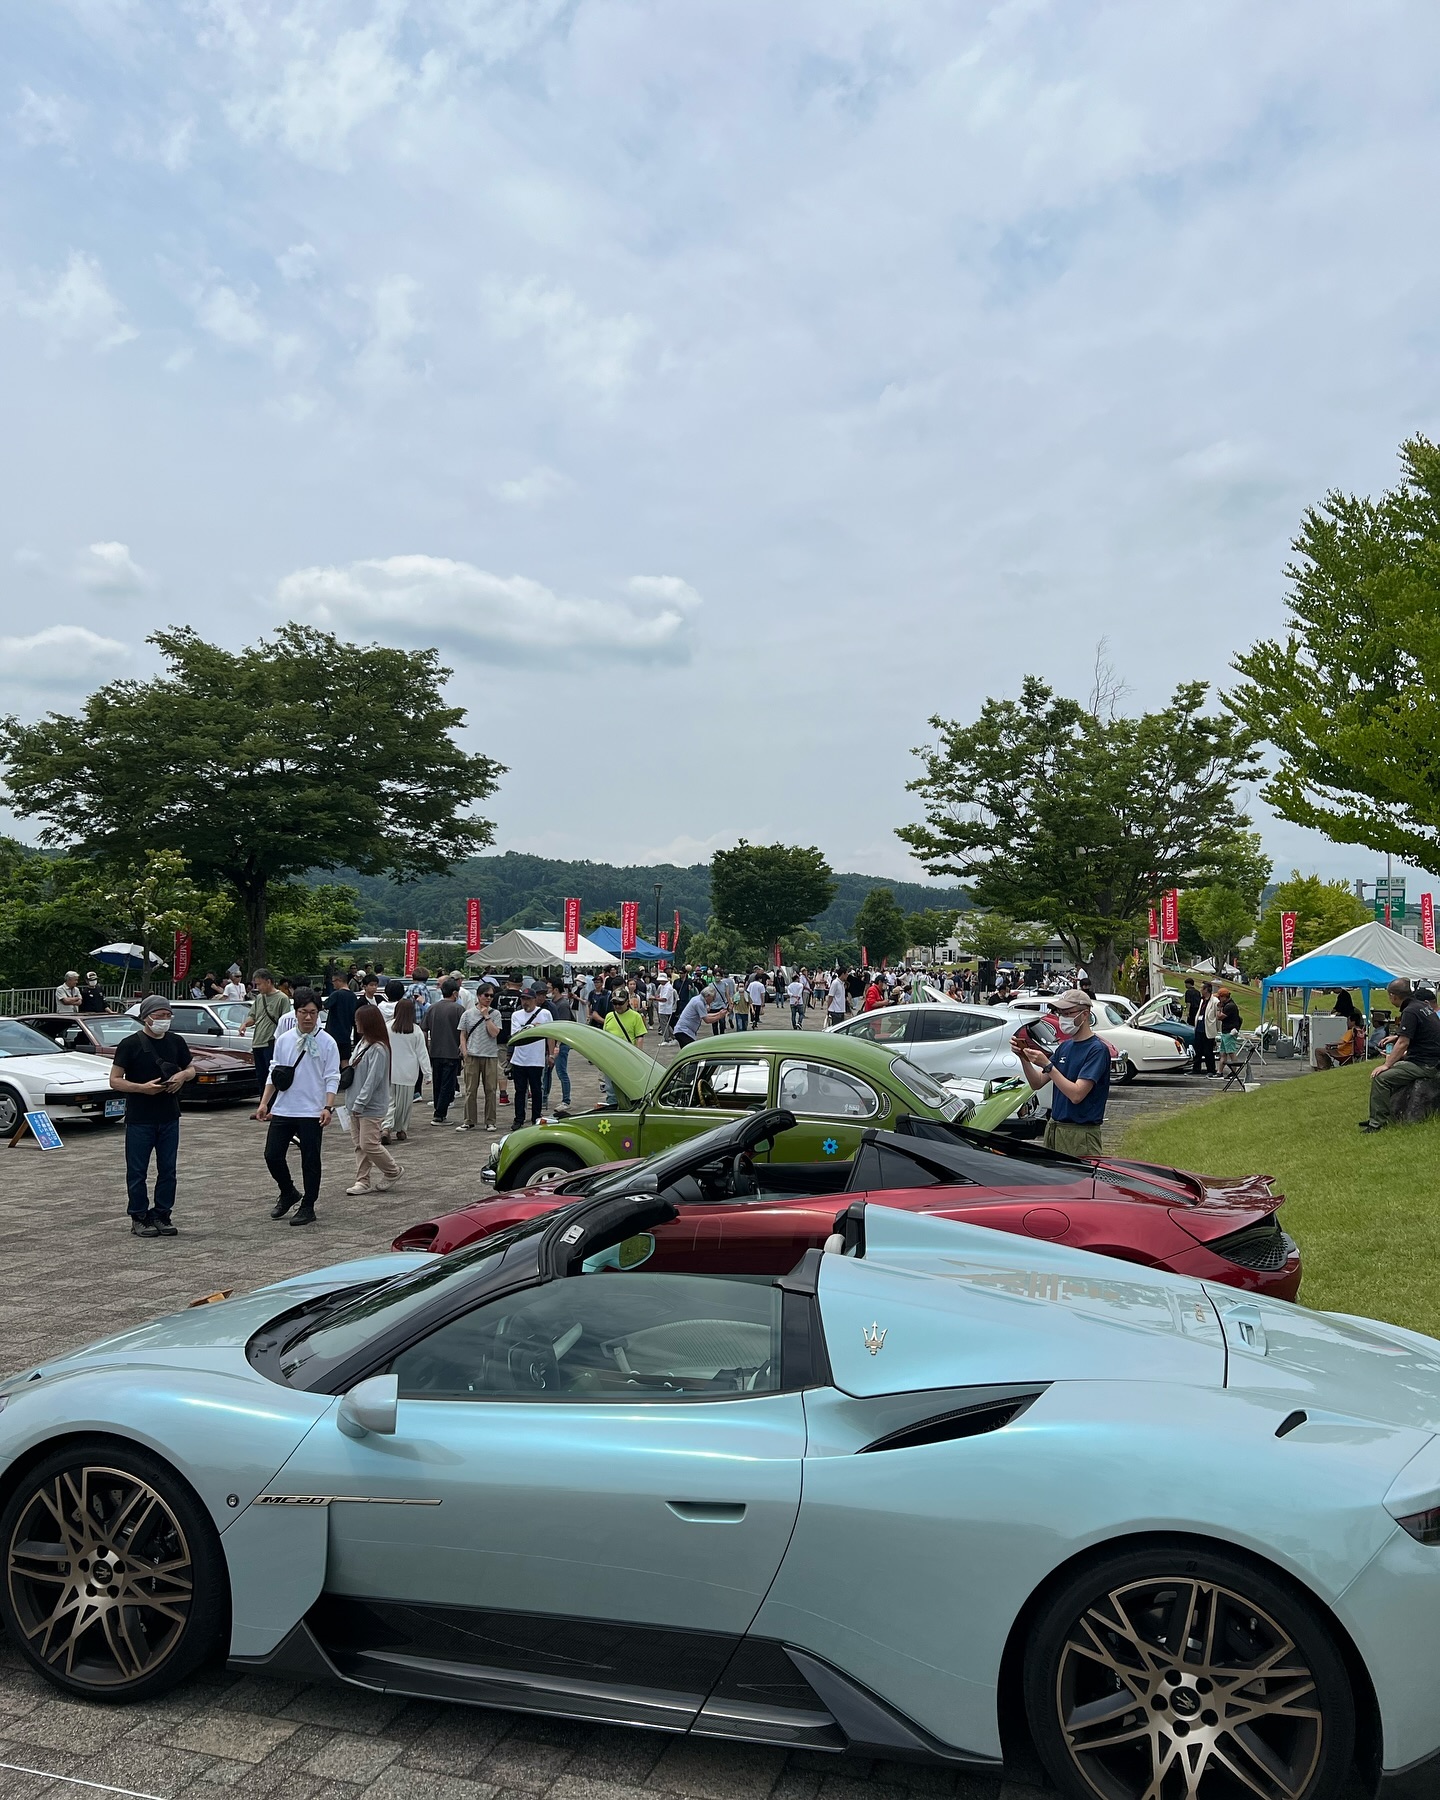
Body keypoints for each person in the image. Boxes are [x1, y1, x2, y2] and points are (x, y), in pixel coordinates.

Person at [110, 995, 196, 1237]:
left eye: (168, 1016)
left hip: (169, 1115)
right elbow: (115, 1080)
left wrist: (182, 1076)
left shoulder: (176, 1041)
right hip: (140, 1117)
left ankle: (162, 1214)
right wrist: (142, 1088)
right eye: (159, 1016)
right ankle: (139, 1216)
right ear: (146, 1017)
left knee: (168, 1169)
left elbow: (191, 1068)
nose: (164, 1020)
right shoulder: (130, 1044)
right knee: (137, 1170)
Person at [256, 987, 339, 1225]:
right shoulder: (284, 1039)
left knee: (310, 1159)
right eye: (303, 1012)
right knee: (272, 1155)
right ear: (296, 1012)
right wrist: (264, 1103)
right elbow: (274, 1072)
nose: (308, 1017)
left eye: (313, 1012)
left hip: (312, 1110)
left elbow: (332, 1076)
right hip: (284, 1108)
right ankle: (288, 1191)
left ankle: (308, 1205)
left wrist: (328, 1106)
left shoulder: (327, 1042)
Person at [1012, 988, 1111, 1157]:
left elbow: (1077, 1094)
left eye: (1068, 1013)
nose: (1063, 1018)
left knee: (1079, 1174)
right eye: (1060, 1013)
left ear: (1085, 1015)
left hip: (1080, 1134)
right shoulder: (1065, 1047)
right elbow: (1037, 1082)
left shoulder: (1097, 1050)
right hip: (1055, 1128)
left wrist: (1048, 1065)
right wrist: (1024, 1058)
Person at [1362, 979, 1440, 1131]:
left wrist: (1386, 1064)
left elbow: (1403, 1043)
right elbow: (1422, 1030)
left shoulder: (1409, 1011)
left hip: (1425, 1064)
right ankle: (1385, 1113)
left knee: (1381, 1078)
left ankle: (1377, 1123)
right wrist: (1396, 1036)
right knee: (1396, 1068)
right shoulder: (1421, 1006)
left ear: (1393, 996)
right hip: (1432, 1060)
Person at [344, 1004, 403, 1194]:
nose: (356, 1023)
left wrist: (360, 1102)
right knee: (359, 1145)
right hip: (354, 1103)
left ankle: (392, 1171)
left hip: (370, 1105)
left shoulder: (378, 1049)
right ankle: (362, 1181)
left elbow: (373, 1080)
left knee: (368, 1143)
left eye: (358, 1020)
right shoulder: (362, 1043)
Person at [240, 967, 291, 1091]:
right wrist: (245, 1024)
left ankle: (272, 1102)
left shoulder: (282, 998)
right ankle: (263, 1101)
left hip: (271, 1042)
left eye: (259, 984)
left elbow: (285, 1021)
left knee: (272, 1076)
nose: (258, 987)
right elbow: (253, 1016)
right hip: (258, 1042)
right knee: (261, 1076)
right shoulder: (259, 998)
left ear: (268, 982)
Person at [458, 985, 502, 1130]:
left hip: (490, 1056)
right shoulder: (467, 1014)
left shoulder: (495, 1014)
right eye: (486, 995)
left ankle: (490, 1121)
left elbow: (494, 1033)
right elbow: (463, 1034)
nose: (489, 998)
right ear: (478, 996)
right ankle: (469, 1120)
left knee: (491, 1090)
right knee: (470, 1090)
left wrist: (486, 1016)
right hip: (472, 1055)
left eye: (491, 996)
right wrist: (465, 1052)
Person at [508, 985, 553, 1127]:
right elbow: (516, 1034)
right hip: (519, 1059)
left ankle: (536, 1117)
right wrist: (534, 1027)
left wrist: (551, 1054)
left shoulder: (545, 1014)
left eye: (528, 999)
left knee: (536, 1090)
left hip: (536, 1059)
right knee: (520, 1091)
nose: (525, 1002)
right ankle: (519, 1118)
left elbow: (550, 1035)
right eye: (523, 999)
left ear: (534, 1000)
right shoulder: (516, 1015)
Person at [386, 997, 430, 1141]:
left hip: (390, 1070)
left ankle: (386, 1127)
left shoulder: (388, 1027)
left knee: (390, 1101)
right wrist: (427, 1073)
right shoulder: (416, 1030)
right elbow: (422, 1053)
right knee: (405, 1104)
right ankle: (401, 1129)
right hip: (409, 1073)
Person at [424, 977, 465, 1125]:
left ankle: (438, 1110)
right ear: (454, 993)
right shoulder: (459, 1009)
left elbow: (424, 1029)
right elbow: (465, 1032)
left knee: (438, 1082)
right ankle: (440, 1114)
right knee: (448, 1084)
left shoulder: (432, 1008)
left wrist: (427, 1048)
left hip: (435, 1052)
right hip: (452, 1052)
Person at [543, 977, 574, 1116]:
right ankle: (544, 1097)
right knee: (547, 1071)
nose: (547, 990)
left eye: (549, 988)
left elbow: (564, 1026)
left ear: (555, 989)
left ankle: (566, 1100)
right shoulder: (553, 1004)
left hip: (561, 1043)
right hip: (553, 1042)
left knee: (561, 1072)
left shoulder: (562, 1005)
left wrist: (558, 1045)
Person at [673, 984, 726, 1049]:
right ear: (708, 996)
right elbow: (707, 1020)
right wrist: (719, 1016)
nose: (713, 1000)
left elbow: (705, 1015)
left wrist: (718, 1013)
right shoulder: (699, 1002)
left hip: (686, 1031)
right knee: (692, 1051)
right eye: (713, 998)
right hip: (683, 1031)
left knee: (690, 1051)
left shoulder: (698, 999)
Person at [324, 969, 359, 1062]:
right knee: (345, 1061)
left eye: (333, 981)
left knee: (331, 1061)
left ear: (338, 980)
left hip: (333, 1035)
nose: (333, 984)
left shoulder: (336, 994)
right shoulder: (353, 996)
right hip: (347, 1034)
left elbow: (324, 1005)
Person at [604, 985, 647, 1052]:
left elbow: (639, 1038)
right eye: (615, 1003)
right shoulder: (609, 1016)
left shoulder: (636, 1016)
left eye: (620, 1003)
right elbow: (605, 1036)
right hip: (611, 1053)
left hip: (628, 1053)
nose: (617, 1006)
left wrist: (638, 1053)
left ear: (627, 1002)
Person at [1215, 987, 1244, 1079]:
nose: (1219, 1000)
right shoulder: (1227, 1005)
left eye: (1219, 997)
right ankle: (1219, 1072)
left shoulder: (1230, 1006)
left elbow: (1220, 1017)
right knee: (1223, 1053)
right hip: (1225, 1032)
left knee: (1231, 1052)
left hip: (1229, 1032)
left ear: (1224, 997)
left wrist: (1218, 1009)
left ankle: (1234, 1071)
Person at [1192, 980, 1217, 1076]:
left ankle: (1211, 1069)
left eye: (1202, 988)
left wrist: (1216, 1029)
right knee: (1197, 1050)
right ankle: (1196, 1068)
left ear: (1206, 990)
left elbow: (1217, 1017)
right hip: (1199, 1028)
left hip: (1208, 1029)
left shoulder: (1215, 1001)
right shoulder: (1202, 1000)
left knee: (1208, 1051)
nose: (1200, 990)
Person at [655, 971, 675, 1041]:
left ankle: (667, 1038)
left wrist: (654, 999)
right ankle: (673, 1037)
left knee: (664, 1024)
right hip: (663, 1007)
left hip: (665, 1008)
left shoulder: (668, 987)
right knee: (666, 1024)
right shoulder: (662, 986)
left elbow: (664, 999)